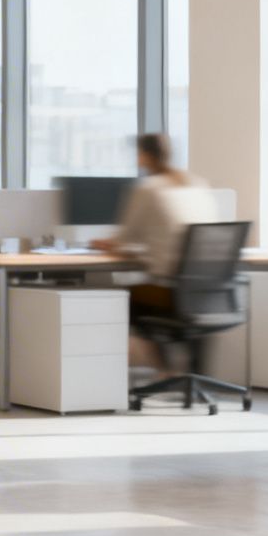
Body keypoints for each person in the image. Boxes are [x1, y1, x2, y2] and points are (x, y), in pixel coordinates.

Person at [93, 133, 219, 367]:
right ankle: (196, 371)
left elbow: (123, 238)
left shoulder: (149, 188)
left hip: (172, 292)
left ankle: (164, 370)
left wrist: (100, 244)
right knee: (162, 294)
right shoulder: (197, 183)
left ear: (144, 156)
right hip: (211, 293)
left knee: (127, 299)